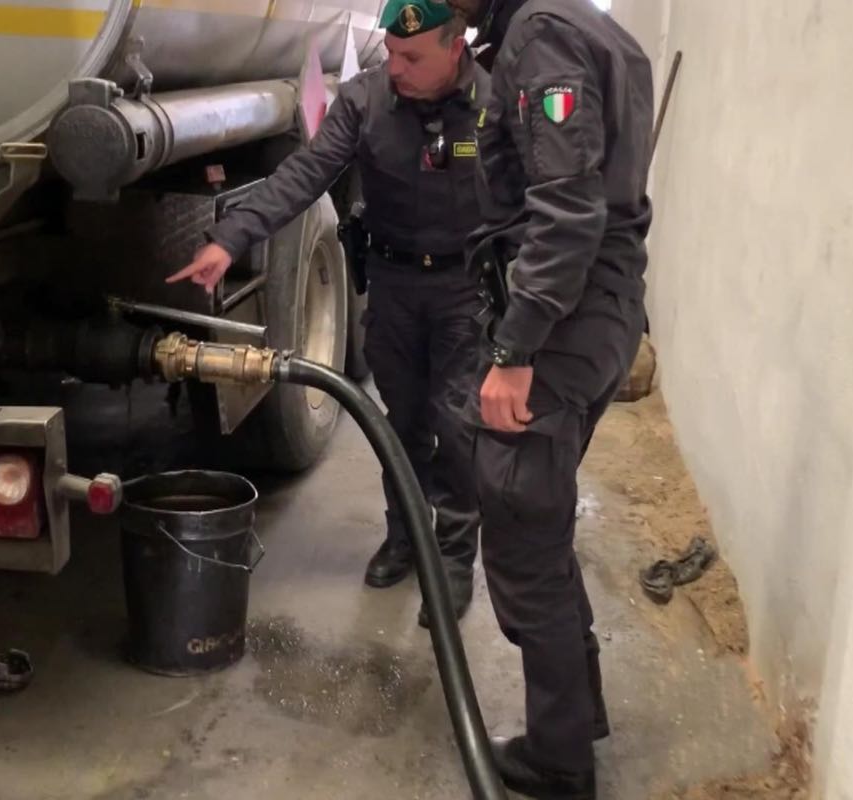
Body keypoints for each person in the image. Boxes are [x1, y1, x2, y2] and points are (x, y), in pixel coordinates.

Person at [167, 0, 487, 627]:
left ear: (456, 48)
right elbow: (306, 172)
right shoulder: (366, 100)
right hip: (394, 286)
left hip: (463, 292)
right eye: (390, 54)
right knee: (402, 423)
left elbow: (529, 205)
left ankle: (453, 556)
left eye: (412, 57)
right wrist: (231, 237)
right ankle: (405, 538)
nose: (396, 69)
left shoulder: (494, 106)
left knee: (459, 427)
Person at [451, 0, 654, 797]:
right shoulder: (588, 27)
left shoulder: (542, 37)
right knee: (542, 518)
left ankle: (561, 761)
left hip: (564, 324)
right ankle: (582, 709)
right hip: (599, 310)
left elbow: (567, 211)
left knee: (521, 535)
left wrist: (515, 350)